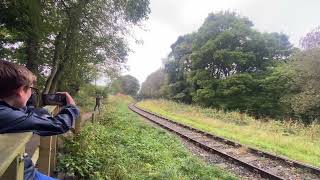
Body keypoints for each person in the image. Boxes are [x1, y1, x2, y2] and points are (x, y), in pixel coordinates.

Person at [0, 60, 80, 180]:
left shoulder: (6, 110)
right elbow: (58, 125)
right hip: (22, 175)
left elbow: (26, 112)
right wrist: (72, 107)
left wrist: (41, 111)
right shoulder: (6, 115)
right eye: (31, 89)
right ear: (21, 91)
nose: (32, 93)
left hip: (23, 170)